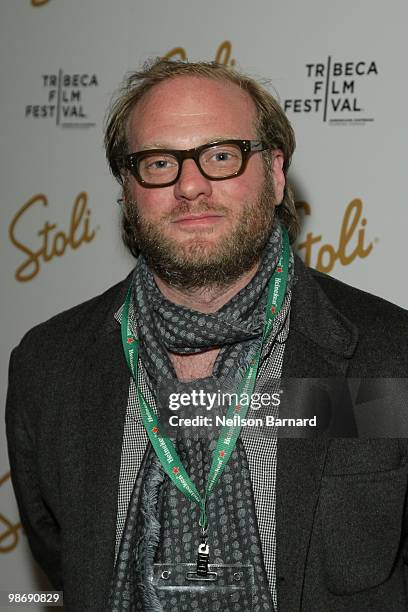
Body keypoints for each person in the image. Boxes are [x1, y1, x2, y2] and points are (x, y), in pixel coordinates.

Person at [6, 58, 408, 612]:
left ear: (274, 173)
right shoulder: (48, 364)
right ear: (127, 188)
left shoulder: (392, 356)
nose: (190, 185)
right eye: (159, 162)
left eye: (222, 156)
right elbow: (65, 555)